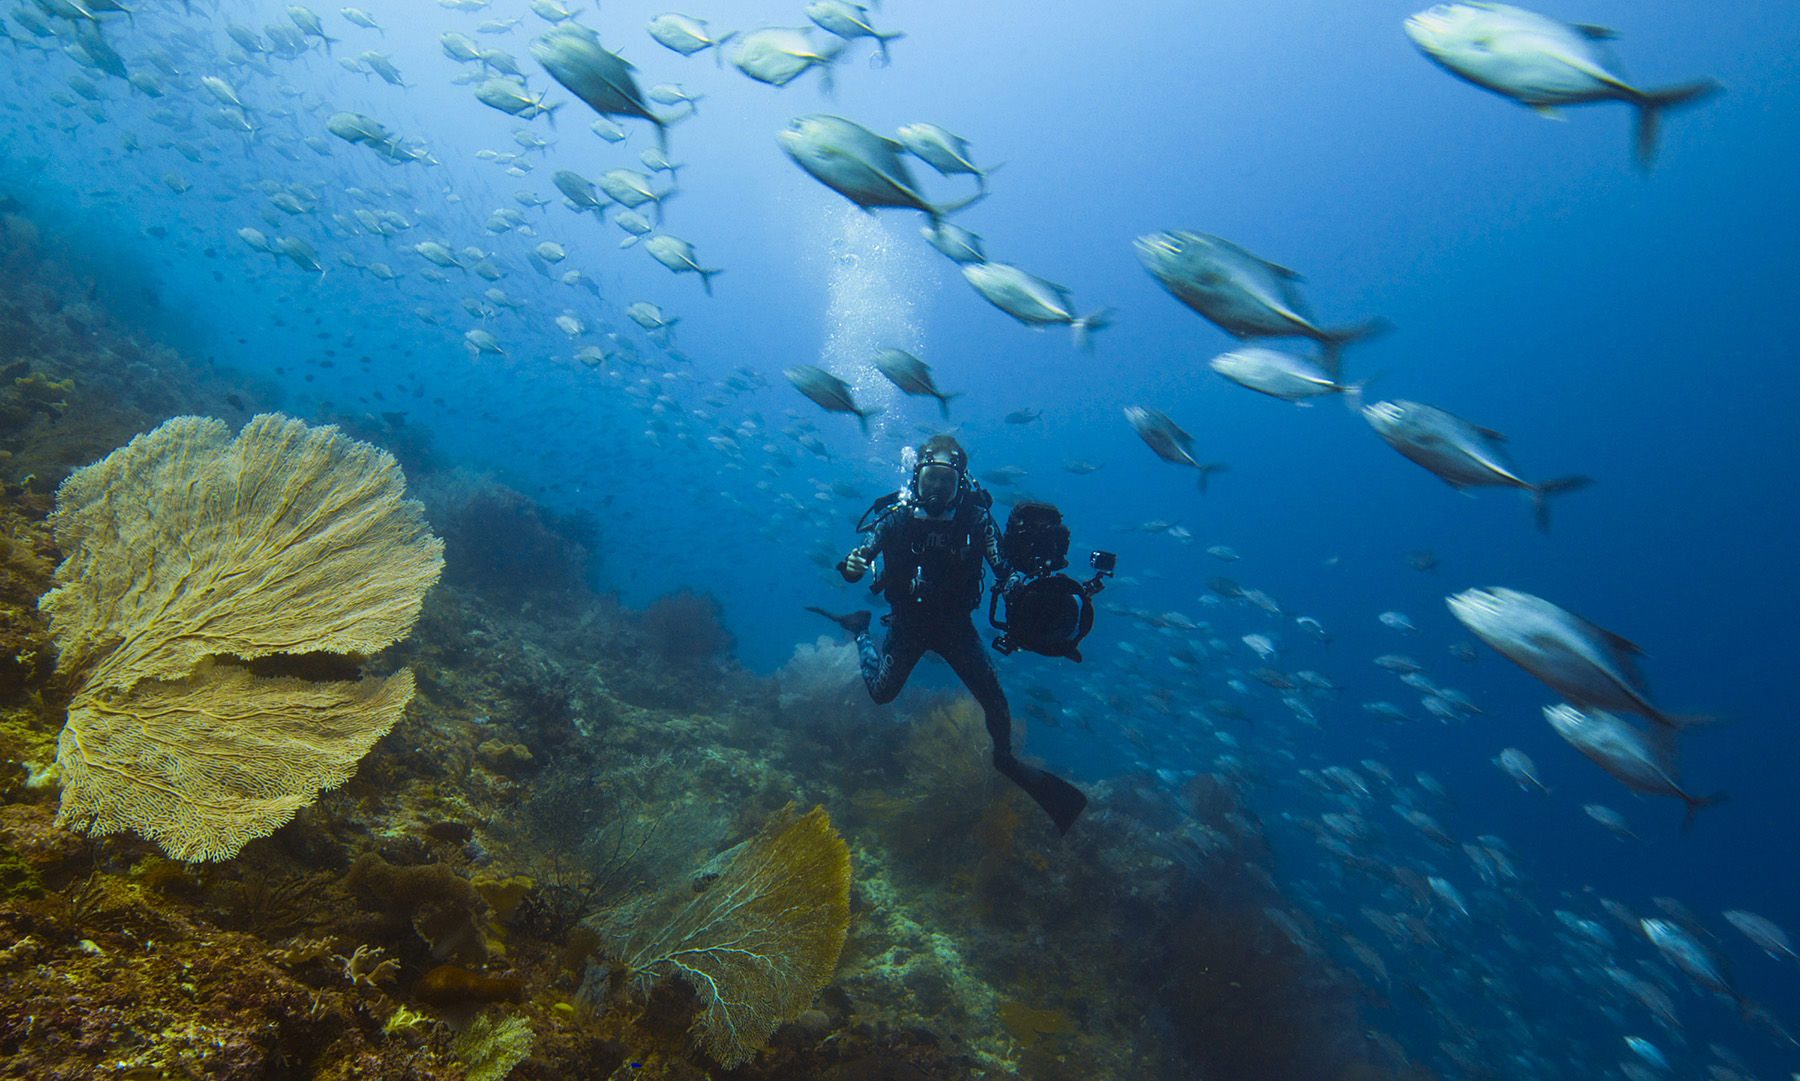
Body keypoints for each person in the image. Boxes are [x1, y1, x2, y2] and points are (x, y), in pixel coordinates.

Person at [810, 434, 1088, 833]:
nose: (937, 490)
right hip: (907, 624)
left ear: (961, 482)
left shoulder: (976, 518)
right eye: (930, 480)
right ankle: (860, 630)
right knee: (881, 694)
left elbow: (1001, 565)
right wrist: (853, 565)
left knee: (996, 704)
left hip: (956, 628)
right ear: (917, 478)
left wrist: (1018, 588)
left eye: (946, 481)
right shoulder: (897, 516)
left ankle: (1005, 759)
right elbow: (864, 552)